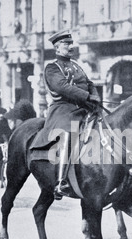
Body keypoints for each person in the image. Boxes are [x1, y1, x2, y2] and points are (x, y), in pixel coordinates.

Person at [30, 30, 100, 200]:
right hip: (63, 110)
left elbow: (89, 83)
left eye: (71, 43)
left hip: (84, 108)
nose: (70, 47)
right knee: (69, 131)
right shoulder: (52, 67)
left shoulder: (76, 66)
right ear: (57, 48)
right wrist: (86, 96)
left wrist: (95, 96)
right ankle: (61, 181)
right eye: (66, 44)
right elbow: (62, 87)